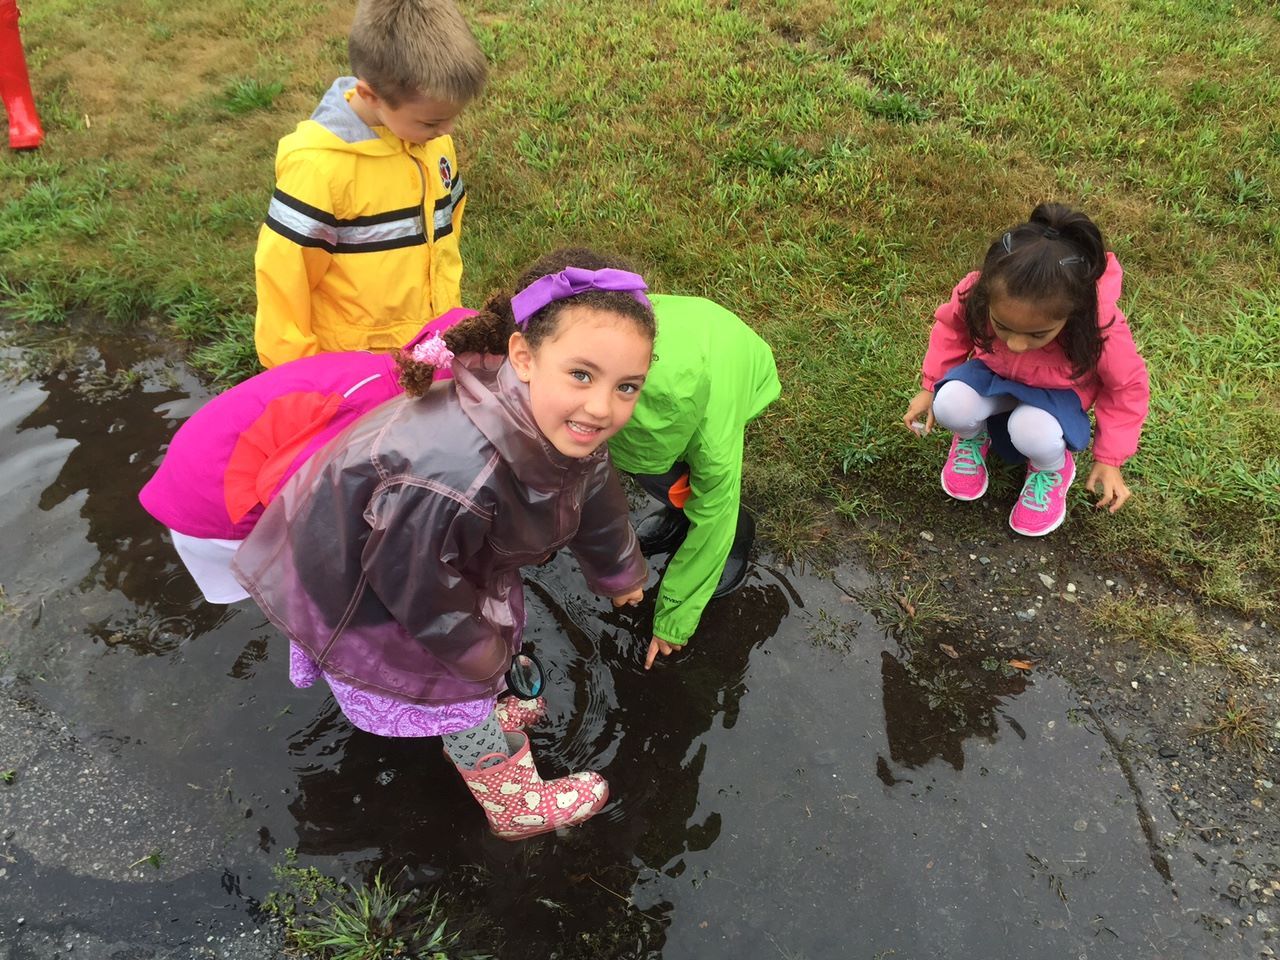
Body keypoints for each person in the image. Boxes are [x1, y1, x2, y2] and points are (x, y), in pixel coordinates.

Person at [231, 251, 656, 840]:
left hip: (429, 564)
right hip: (374, 595)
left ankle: (478, 696)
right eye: (582, 375)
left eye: (627, 385)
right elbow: (423, 599)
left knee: (471, 657)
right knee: (458, 690)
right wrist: (484, 665)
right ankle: (512, 805)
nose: (602, 407)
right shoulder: (456, 477)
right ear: (524, 356)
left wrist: (619, 572)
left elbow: (598, 492)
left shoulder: (556, 423)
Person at [138, 310, 471, 604]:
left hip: (198, 463)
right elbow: (297, 502)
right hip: (216, 508)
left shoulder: (387, 371)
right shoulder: (373, 418)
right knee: (330, 602)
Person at [253, 0, 486, 368]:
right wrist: (298, 381)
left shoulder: (434, 145)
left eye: (451, 118)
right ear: (369, 96)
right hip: (350, 372)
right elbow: (283, 283)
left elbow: (445, 234)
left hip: (430, 347)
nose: (447, 131)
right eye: (430, 123)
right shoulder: (318, 169)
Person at [902, 202, 1150, 537]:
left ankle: (1052, 467)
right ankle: (972, 437)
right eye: (1002, 326)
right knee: (949, 403)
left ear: (1073, 313)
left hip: (1055, 395)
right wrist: (931, 385)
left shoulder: (1099, 325)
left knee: (1031, 429)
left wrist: (1110, 457)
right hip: (992, 376)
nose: (1016, 344)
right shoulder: (976, 291)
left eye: (1038, 334)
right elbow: (952, 329)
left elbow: (1125, 387)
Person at [607, 283, 780, 670]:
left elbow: (713, 516)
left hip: (733, 360)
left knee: (711, 500)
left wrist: (672, 622)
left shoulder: (712, 440)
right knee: (662, 477)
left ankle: (740, 535)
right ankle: (677, 509)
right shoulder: (604, 370)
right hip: (681, 340)